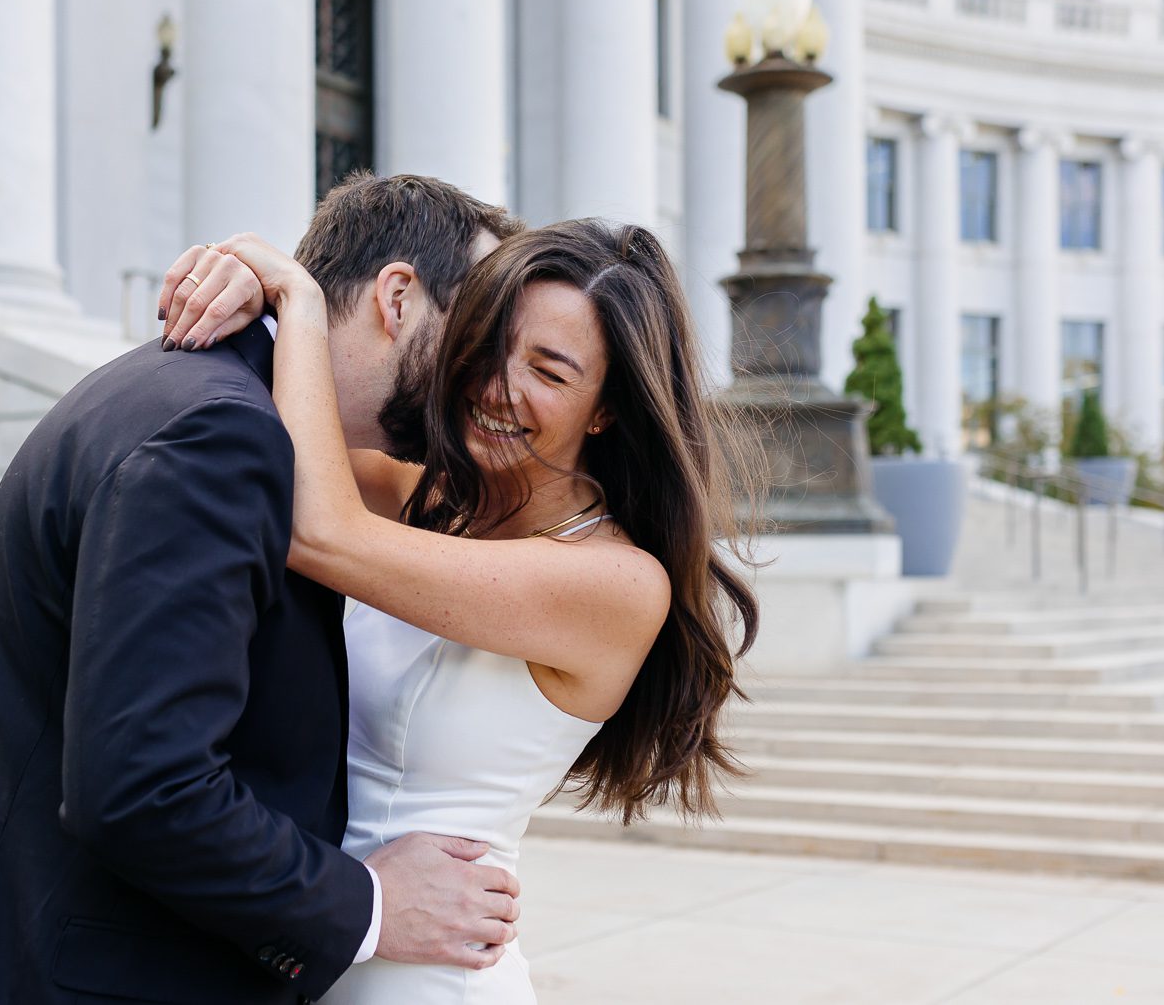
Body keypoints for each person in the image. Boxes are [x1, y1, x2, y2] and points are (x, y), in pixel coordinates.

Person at [0, 174, 526, 1005]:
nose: (484, 382)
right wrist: (369, 904)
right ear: (397, 298)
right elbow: (146, 787)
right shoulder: (221, 434)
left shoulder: (193, 393)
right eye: (477, 337)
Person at [160, 218, 759, 1004]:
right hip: (321, 939)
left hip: (430, 980)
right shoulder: (429, 496)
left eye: (547, 369)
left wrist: (298, 299)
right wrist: (239, 284)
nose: (494, 386)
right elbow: (290, 432)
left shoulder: (616, 583)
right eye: (490, 344)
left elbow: (316, 529)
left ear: (606, 410)